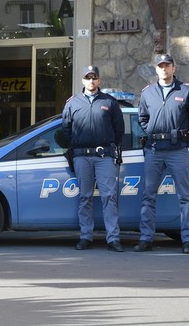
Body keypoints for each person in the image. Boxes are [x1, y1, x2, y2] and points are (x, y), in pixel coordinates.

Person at [135, 54, 189, 254]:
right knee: (148, 196)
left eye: (167, 66)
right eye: (160, 66)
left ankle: (188, 240)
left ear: (174, 68)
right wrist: (152, 131)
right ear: (156, 70)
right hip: (154, 149)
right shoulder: (148, 93)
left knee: (185, 197)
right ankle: (146, 238)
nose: (164, 69)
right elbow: (142, 118)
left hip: (177, 150)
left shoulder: (185, 90)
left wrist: (183, 133)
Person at [62, 66, 125, 252]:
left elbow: (119, 129)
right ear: (82, 80)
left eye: (94, 78)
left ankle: (113, 238)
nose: (91, 81)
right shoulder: (72, 103)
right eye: (88, 78)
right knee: (85, 197)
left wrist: (110, 145)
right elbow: (66, 128)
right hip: (81, 157)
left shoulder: (109, 102)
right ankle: (85, 237)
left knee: (109, 197)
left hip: (104, 156)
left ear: (99, 80)